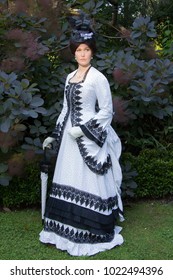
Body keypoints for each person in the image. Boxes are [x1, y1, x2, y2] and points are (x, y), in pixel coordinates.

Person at [39, 16, 124, 256]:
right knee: (67, 178)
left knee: (87, 181)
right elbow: (65, 108)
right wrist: (55, 135)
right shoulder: (69, 77)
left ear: (92, 52)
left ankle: (91, 229)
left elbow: (107, 111)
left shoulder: (98, 78)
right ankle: (63, 228)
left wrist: (84, 130)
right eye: (79, 50)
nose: (82, 54)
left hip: (88, 137)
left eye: (86, 49)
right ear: (74, 53)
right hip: (68, 139)